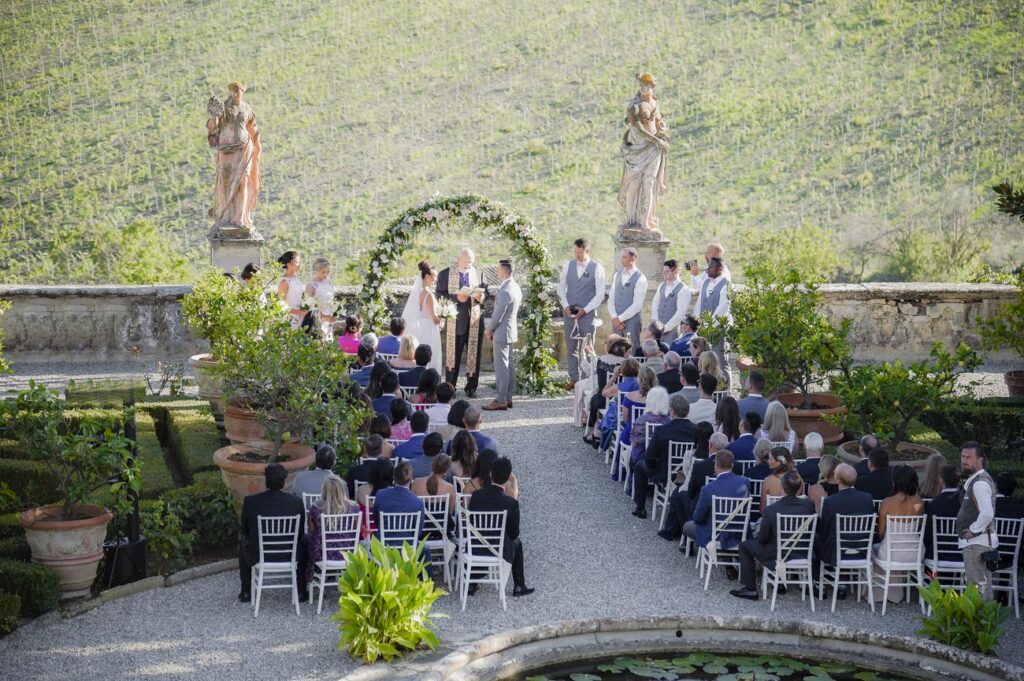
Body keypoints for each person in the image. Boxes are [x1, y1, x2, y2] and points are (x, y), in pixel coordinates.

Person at [730, 470, 815, 601]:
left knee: (744, 546)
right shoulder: (808, 506)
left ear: (781, 486)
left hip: (777, 554)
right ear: (799, 487)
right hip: (802, 551)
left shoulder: (771, 509)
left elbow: (763, 538)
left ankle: (750, 589)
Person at [238, 463, 308, 603]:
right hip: (289, 553)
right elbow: (300, 533)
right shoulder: (296, 503)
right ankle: (300, 590)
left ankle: (246, 591)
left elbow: (245, 530)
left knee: (242, 542)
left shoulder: (251, 501)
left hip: (259, 554)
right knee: (305, 541)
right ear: (283, 481)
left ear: (266, 480)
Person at [467, 456, 534, 597]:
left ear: (491, 474)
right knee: (517, 542)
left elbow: (472, 521)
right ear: (508, 477)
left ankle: (472, 582)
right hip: (498, 548)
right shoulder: (511, 503)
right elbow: (514, 533)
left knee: (482, 538)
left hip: (475, 545)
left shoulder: (476, 496)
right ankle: (519, 585)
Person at [206, 82, 261, 234]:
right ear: (230, 92)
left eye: (238, 91)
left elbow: (253, 128)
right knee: (224, 183)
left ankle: (240, 219)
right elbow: (213, 128)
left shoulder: (247, 108)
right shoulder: (223, 107)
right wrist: (213, 117)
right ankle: (224, 217)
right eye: (233, 91)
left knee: (243, 184)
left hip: (244, 151)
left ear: (243, 92)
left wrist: (257, 147)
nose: (236, 93)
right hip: (227, 152)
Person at [618, 72, 669, 233]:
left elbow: (658, 121)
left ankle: (645, 221)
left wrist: (662, 131)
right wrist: (656, 140)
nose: (643, 88)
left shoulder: (655, 102)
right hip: (637, 147)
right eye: (641, 85)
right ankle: (631, 220)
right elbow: (638, 128)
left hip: (653, 148)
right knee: (634, 183)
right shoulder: (634, 105)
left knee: (650, 182)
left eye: (646, 85)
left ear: (652, 87)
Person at [633, 393, 696, 518]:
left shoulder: (662, 431)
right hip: (688, 472)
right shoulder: (695, 430)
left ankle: (640, 508)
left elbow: (649, 457)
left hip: (666, 473)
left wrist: (655, 466)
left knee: (640, 465)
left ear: (672, 411)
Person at [436, 248, 488, 397]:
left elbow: (486, 292)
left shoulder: (478, 272)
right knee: (454, 357)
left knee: (475, 356)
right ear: (458, 259)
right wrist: (456, 299)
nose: (468, 264)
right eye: (466, 261)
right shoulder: (445, 274)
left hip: (475, 321)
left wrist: (481, 298)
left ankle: (471, 387)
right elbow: (439, 295)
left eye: (471, 262)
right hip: (456, 322)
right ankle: (450, 388)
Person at [556, 238, 607, 388]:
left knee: (587, 346)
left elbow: (600, 294)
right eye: (575, 252)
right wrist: (565, 306)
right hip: (569, 313)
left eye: (580, 252)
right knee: (571, 347)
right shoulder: (568, 265)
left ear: (587, 251)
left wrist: (585, 310)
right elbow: (561, 288)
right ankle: (574, 379)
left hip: (588, 314)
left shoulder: (597, 268)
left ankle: (587, 379)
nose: (577, 255)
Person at [873, 464, 925, 603]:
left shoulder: (887, 502)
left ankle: (880, 594)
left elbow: (881, 533)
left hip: (891, 553)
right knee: (888, 549)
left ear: (895, 481)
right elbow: (918, 529)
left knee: (873, 550)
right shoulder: (919, 502)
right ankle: (897, 593)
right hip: (914, 553)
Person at [683, 450, 750, 556]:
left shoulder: (707, 489)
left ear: (716, 465)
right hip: (739, 532)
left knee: (687, 526)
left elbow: (697, 518)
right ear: (732, 465)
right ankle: (727, 560)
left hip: (716, 535)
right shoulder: (745, 482)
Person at [814, 463, 874, 578]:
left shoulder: (830, 501)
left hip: (836, 552)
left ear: (837, 479)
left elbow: (823, 530)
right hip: (861, 550)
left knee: (815, 540)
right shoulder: (867, 498)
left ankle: (818, 579)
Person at [957, 442, 998, 600]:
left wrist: (974, 530)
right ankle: (986, 623)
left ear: (980, 460)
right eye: (963, 456)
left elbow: (987, 513)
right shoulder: (977, 480)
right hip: (979, 542)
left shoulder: (980, 482)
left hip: (977, 544)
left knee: (977, 587)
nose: (964, 460)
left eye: (969, 457)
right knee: (983, 586)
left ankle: (978, 624)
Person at [305, 475, 359, 584]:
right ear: (342, 490)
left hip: (322, 554)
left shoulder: (316, 508)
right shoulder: (354, 508)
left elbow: (311, 529)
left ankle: (306, 582)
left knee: (306, 542)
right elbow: (356, 529)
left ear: (324, 490)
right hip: (347, 552)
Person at [484, 259, 522, 411]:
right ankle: (507, 398)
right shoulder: (515, 286)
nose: (496, 271)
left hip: (501, 332)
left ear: (504, 271)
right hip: (510, 330)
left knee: (502, 368)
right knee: (508, 366)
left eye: (498, 269)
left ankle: (501, 399)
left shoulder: (505, 290)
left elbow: (498, 315)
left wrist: (489, 329)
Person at [582, 336, 631, 447]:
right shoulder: (625, 363)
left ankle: (595, 432)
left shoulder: (602, 359)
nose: (628, 354)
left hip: (601, 398)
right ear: (622, 350)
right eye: (628, 351)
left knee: (594, 399)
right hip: (618, 401)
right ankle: (600, 434)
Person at [404, 261, 444, 375]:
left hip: (421, 328)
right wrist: (444, 319)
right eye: (434, 276)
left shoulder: (419, 292)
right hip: (430, 329)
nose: (436, 279)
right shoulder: (429, 295)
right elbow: (434, 318)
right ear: (427, 276)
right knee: (431, 356)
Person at [607, 247, 649, 349]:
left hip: (632, 322)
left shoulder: (641, 278)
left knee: (632, 350)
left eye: (625, 257)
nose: (622, 259)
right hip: (616, 321)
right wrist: (614, 317)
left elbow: (637, 305)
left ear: (633, 259)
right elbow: (611, 298)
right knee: (615, 349)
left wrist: (619, 319)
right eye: (622, 257)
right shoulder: (617, 275)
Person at [372, 461, 425, 541]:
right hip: (406, 546)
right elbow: (418, 532)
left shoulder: (380, 494)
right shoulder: (418, 503)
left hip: (382, 545)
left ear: (394, 476)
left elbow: (376, 520)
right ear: (411, 479)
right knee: (426, 550)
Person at [630, 386, 672, 479]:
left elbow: (634, 443)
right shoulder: (669, 421)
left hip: (643, 457)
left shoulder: (642, 420)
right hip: (664, 458)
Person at [923, 465, 961, 560]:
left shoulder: (933, 505)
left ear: (941, 480)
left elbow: (927, 536)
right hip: (962, 554)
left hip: (937, 555)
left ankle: (932, 575)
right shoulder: (966, 504)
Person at [649, 260, 691, 345]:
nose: (664, 273)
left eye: (667, 271)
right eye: (663, 271)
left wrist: (665, 328)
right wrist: (657, 325)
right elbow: (655, 304)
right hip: (657, 332)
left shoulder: (684, 290)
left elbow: (680, 313)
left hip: (672, 332)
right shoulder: (661, 286)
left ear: (676, 271)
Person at [345, 434, 386, 499]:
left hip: (358, 507)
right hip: (381, 507)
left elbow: (350, 496)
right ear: (381, 450)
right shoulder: (387, 471)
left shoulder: (353, 471)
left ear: (366, 449)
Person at [304, 257, 336, 339]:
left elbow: (331, 300)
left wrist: (334, 313)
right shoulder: (311, 285)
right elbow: (309, 309)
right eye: (323, 272)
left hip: (329, 321)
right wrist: (324, 316)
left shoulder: (329, 283)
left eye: (328, 272)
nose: (326, 274)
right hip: (317, 321)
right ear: (316, 271)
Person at [760, 447, 796, 513]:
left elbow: (762, 509)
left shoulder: (768, 480)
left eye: (770, 459)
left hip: (771, 520)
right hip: (791, 520)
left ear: (779, 462)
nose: (768, 461)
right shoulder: (798, 479)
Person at [276, 250, 305, 329]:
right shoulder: (284, 282)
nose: (299, 264)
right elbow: (282, 306)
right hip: (289, 320)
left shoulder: (296, 279)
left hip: (300, 318)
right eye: (297, 262)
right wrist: (299, 312)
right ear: (289, 264)